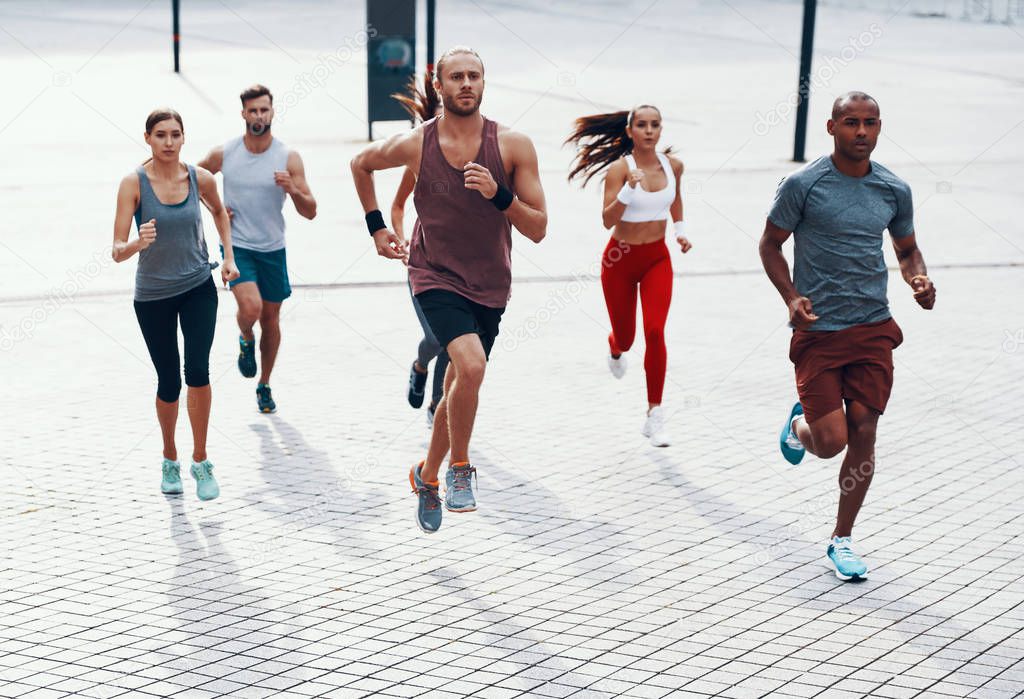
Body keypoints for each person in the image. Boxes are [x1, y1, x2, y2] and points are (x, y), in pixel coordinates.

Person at [350, 46, 548, 533]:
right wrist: (378, 228)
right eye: (455, 77)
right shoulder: (417, 144)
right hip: (433, 274)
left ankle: (427, 474)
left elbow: (539, 228)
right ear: (439, 86)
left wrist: (498, 194)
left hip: (490, 283)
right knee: (471, 366)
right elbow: (360, 164)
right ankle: (461, 469)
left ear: (484, 83)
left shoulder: (513, 146)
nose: (465, 84)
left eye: (473, 76)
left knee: (459, 384)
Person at [759, 91, 936, 581]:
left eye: (871, 123)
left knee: (864, 431)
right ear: (831, 127)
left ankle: (842, 539)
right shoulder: (803, 184)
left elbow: (908, 249)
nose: (862, 132)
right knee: (831, 441)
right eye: (852, 122)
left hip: (873, 327)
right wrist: (791, 297)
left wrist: (917, 278)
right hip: (818, 331)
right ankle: (799, 426)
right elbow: (771, 245)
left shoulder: (893, 190)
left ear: (880, 127)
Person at [112, 108, 240, 500]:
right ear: (148, 138)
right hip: (152, 296)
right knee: (168, 381)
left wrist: (229, 257)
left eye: (175, 135)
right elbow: (117, 250)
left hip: (198, 285)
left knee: (197, 372)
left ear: (184, 138)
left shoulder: (199, 178)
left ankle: (201, 461)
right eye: (161, 135)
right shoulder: (132, 183)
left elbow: (220, 211)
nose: (168, 142)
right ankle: (170, 457)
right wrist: (137, 242)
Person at [565, 105, 692, 447]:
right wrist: (627, 191)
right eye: (642, 125)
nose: (649, 131)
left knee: (654, 330)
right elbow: (607, 220)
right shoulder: (620, 170)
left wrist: (679, 231)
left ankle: (654, 414)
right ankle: (615, 347)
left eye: (655, 125)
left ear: (661, 130)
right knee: (626, 338)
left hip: (656, 259)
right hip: (619, 261)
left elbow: (676, 199)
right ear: (630, 131)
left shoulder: (673, 166)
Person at [197, 84, 317, 414]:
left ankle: (264, 384)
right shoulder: (226, 153)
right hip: (238, 247)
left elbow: (311, 210)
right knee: (250, 308)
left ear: (273, 112)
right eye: (253, 111)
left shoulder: (287, 157)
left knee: (272, 319)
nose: (259, 116)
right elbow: (192, 181)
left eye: (264, 110)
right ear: (243, 114)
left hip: (273, 248)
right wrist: (216, 210)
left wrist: (294, 189)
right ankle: (245, 336)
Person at [391, 73, 449, 426]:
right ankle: (419, 365)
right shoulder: (419, 159)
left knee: (453, 340)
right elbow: (397, 206)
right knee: (436, 338)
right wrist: (400, 239)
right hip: (423, 265)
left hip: (460, 268)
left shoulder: (476, 156)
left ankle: (437, 406)